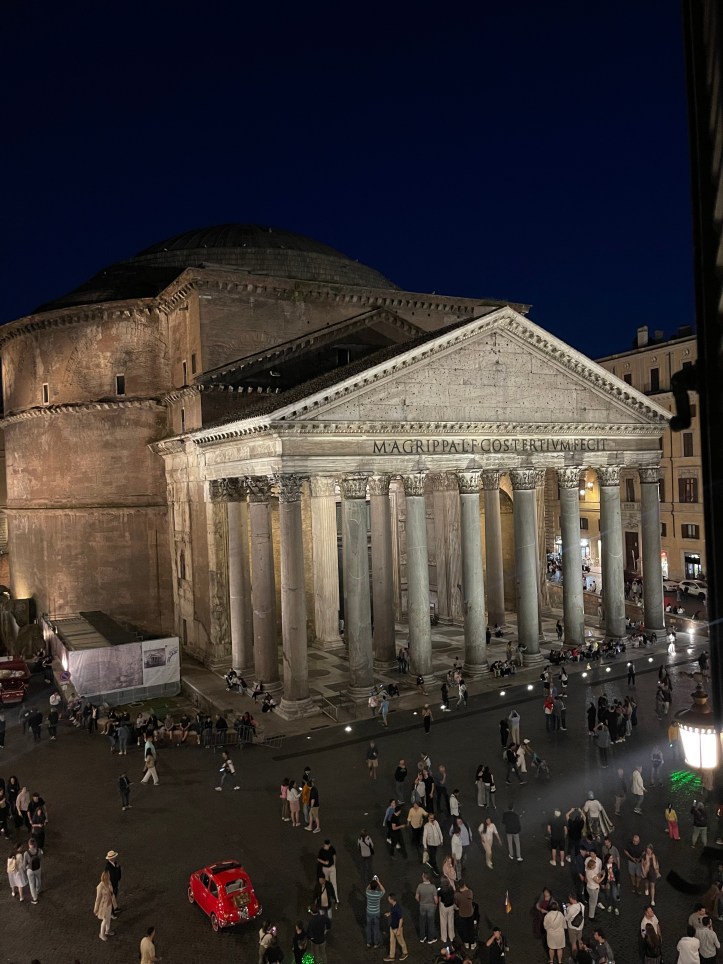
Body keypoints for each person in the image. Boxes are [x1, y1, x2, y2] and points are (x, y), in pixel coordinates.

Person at [415, 869, 438, 944]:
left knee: (422, 922)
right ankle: (430, 938)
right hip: (431, 907)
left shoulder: (420, 886)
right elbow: (435, 899)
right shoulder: (433, 887)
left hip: (422, 906)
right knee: (431, 922)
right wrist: (435, 904)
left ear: (424, 877)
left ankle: (422, 937)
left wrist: (420, 902)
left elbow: (416, 897)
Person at [384, 892, 409, 961]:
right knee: (392, 941)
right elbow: (393, 912)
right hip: (392, 926)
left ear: (392, 899)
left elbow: (401, 919)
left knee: (401, 941)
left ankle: (405, 952)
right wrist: (389, 913)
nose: (388, 899)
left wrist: (398, 930)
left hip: (397, 928)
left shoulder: (397, 908)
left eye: (388, 898)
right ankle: (391, 956)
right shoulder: (393, 906)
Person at [94, 870, 116, 941]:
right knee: (105, 920)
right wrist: (96, 909)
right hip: (103, 907)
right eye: (108, 876)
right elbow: (98, 899)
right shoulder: (100, 887)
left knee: (108, 918)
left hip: (109, 904)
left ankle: (107, 930)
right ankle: (102, 934)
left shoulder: (108, 882)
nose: (109, 877)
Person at [366, 875, 385, 948]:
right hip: (376, 913)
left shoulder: (368, 892)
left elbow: (367, 888)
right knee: (376, 928)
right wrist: (378, 882)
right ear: (377, 886)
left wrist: (372, 882)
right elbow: (383, 890)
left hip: (369, 912)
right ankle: (376, 943)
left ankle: (368, 942)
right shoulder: (378, 894)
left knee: (368, 927)